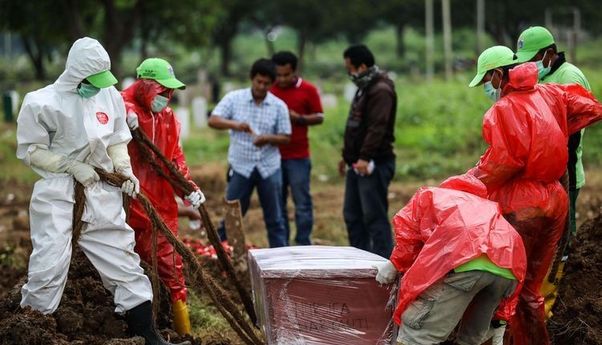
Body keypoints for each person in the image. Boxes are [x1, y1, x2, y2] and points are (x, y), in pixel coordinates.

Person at [16, 37, 188, 345]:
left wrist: (124, 169)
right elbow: (31, 151)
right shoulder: (42, 102)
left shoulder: (108, 94)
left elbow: (117, 138)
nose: (98, 87)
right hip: (58, 192)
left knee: (123, 258)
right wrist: (69, 165)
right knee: (49, 264)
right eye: (92, 81)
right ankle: (31, 332)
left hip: (100, 189)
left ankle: (148, 336)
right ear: (76, 74)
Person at [467, 45, 602, 345]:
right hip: (555, 200)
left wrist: (471, 180)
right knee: (531, 291)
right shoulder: (550, 93)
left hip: (523, 206)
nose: (488, 87)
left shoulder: (502, 110)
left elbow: (504, 162)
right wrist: (555, 130)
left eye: (487, 80)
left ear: (498, 75)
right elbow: (592, 107)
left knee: (511, 286)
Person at [375, 174, 526, 345]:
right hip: (507, 271)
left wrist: (394, 264)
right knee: (472, 339)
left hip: (468, 263)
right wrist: (501, 320)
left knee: (417, 334)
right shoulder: (488, 207)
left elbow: (409, 232)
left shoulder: (433, 196)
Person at [121, 58, 205, 336]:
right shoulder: (118, 106)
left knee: (171, 267)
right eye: (162, 91)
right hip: (124, 203)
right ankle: (128, 330)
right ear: (145, 85)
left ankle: (183, 331)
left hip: (162, 205)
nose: (167, 98)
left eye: (171, 93)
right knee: (123, 268)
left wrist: (188, 188)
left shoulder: (167, 117)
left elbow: (175, 160)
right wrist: (120, 123)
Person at [515, 25, 592, 316]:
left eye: (533, 57)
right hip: (543, 178)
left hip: (565, 173)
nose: (528, 63)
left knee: (562, 238)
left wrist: (556, 172)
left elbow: (573, 134)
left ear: (549, 53)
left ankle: (561, 300)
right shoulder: (542, 76)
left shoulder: (568, 76)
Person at [208, 58, 291, 248]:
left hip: (269, 167)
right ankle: (220, 254)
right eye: (258, 81)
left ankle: (279, 258)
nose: (261, 87)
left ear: (273, 83)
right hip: (241, 166)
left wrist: (267, 138)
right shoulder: (234, 98)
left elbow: (286, 137)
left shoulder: (279, 106)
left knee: (275, 218)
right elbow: (213, 120)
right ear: (252, 78)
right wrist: (236, 125)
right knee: (232, 215)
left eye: (266, 83)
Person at [340, 44, 396, 258]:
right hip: (357, 164)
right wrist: (347, 156)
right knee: (352, 215)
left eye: (350, 68)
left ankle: (382, 261)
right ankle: (360, 261)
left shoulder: (380, 90)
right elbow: (355, 125)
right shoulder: (365, 87)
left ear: (361, 66)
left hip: (373, 163)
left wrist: (364, 157)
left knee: (373, 216)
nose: (349, 73)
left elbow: (377, 127)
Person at [270, 51, 324, 245]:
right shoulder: (269, 89)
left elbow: (319, 116)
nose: (282, 79)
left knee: (302, 202)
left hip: (298, 156)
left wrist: (298, 118)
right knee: (279, 203)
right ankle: (282, 244)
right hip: (274, 156)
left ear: (295, 71)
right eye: (279, 75)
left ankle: (303, 242)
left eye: (286, 75)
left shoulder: (308, 89)